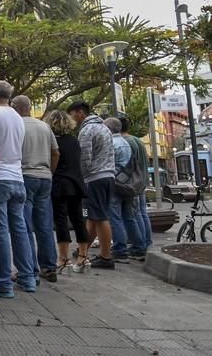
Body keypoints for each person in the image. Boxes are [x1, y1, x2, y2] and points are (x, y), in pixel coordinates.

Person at [0, 81, 36, 296]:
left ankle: (3, 282)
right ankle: (28, 277)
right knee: (20, 230)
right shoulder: (18, 118)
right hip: (17, 178)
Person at [12, 95, 59, 283]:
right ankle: (49, 267)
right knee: (44, 224)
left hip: (25, 176)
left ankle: (29, 268)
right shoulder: (44, 126)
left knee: (24, 225)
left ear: (15, 107)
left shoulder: (16, 125)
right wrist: (50, 171)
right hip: (45, 177)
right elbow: (56, 153)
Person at [67, 101, 115, 269]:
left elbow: (84, 159)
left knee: (100, 217)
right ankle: (84, 250)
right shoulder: (104, 128)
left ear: (80, 113)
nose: (71, 119)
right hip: (107, 175)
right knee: (94, 216)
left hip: (94, 177)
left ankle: (105, 256)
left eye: (71, 114)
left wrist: (78, 177)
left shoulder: (86, 130)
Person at [44, 110, 91, 273]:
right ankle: (83, 256)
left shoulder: (51, 142)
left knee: (61, 220)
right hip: (76, 183)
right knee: (78, 219)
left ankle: (64, 259)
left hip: (59, 184)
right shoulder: (74, 141)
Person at [104, 117, 146, 263]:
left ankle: (120, 249)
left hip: (116, 185)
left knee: (115, 218)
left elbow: (108, 165)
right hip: (128, 186)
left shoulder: (111, 143)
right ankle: (139, 248)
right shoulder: (125, 142)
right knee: (129, 217)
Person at [120, 117, 152, 250]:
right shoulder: (137, 140)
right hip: (142, 181)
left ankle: (140, 244)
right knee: (142, 212)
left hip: (133, 183)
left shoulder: (126, 142)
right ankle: (146, 241)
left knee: (135, 213)